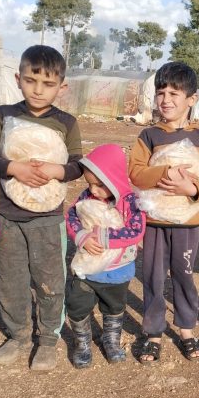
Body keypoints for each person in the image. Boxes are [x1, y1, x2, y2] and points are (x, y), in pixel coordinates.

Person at [0, 45, 82, 371]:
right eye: (31, 80)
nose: (38, 90)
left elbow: (79, 164)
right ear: (18, 79)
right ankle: (18, 337)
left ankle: (48, 340)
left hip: (48, 219)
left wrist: (58, 171)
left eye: (48, 83)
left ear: (61, 87)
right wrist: (14, 168)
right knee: (10, 280)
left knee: (49, 280)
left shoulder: (66, 122)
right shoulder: (4, 115)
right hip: (10, 216)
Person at [128, 61, 199, 363]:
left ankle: (186, 328)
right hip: (155, 222)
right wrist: (165, 173)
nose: (166, 100)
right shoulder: (149, 136)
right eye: (161, 92)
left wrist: (193, 190)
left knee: (184, 274)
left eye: (174, 93)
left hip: (187, 223)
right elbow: (135, 172)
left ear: (191, 99)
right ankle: (154, 331)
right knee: (154, 276)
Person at [65, 144, 146, 367]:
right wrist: (81, 236)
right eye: (89, 184)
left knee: (114, 307)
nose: (93, 190)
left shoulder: (130, 202)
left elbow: (135, 231)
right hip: (88, 269)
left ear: (114, 179)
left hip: (117, 271)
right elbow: (71, 216)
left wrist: (104, 236)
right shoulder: (86, 197)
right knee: (77, 304)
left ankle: (110, 339)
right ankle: (82, 342)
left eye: (100, 185)